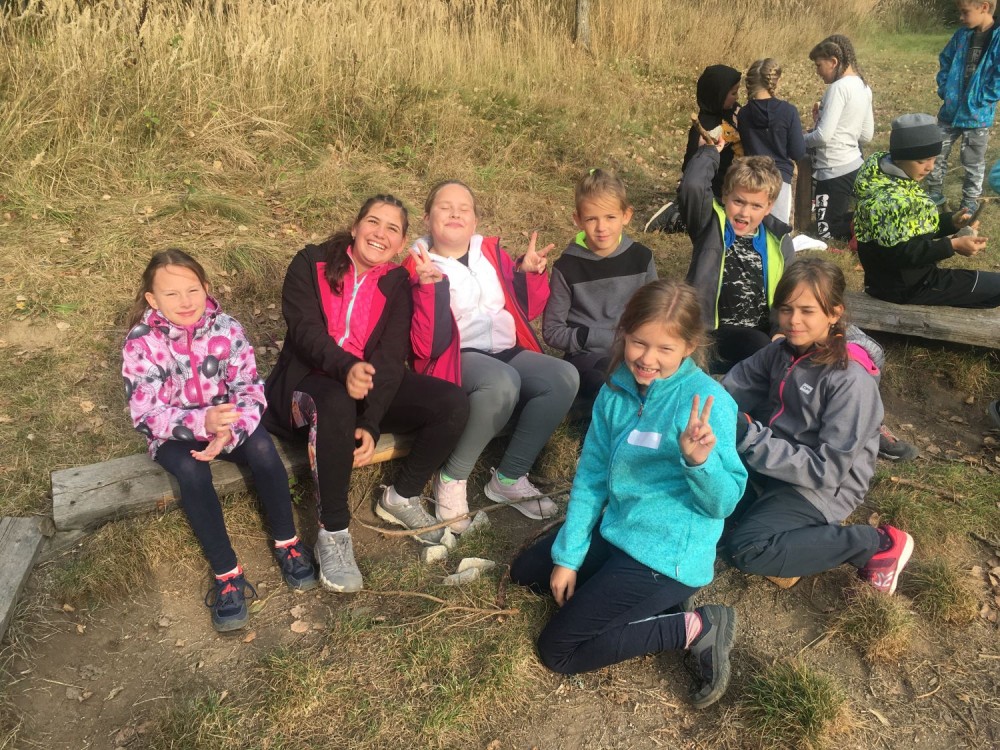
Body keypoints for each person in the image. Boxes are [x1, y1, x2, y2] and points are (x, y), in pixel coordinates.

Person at [510, 280, 747, 709]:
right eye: (639, 342)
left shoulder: (708, 403)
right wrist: (568, 556)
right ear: (624, 332)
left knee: (558, 649)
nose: (647, 359)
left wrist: (699, 462)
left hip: (666, 553)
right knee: (527, 572)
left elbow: (723, 503)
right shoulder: (616, 389)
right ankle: (649, 600)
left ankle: (696, 626)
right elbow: (592, 476)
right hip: (619, 530)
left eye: (665, 349)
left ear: (690, 346)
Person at [264, 195, 470, 591]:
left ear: (402, 242)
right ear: (356, 227)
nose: (380, 234)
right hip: (306, 384)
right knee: (336, 399)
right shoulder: (310, 262)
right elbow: (305, 332)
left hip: (364, 386)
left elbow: (391, 357)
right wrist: (347, 368)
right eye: (373, 222)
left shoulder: (396, 283)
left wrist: (372, 421)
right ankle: (334, 533)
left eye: (392, 229)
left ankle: (402, 496)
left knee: (450, 402)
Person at [123, 250, 317, 632]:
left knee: (262, 447)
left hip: (229, 421)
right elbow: (145, 413)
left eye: (192, 290)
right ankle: (227, 573)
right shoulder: (140, 343)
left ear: (206, 288)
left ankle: (287, 541)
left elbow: (250, 388)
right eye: (171, 294)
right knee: (192, 472)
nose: (185, 301)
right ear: (152, 299)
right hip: (173, 433)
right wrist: (201, 423)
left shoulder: (227, 328)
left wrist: (228, 429)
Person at [721, 258, 914, 594]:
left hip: (823, 486)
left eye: (807, 311)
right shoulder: (780, 352)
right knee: (705, 502)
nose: (793, 321)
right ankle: (763, 507)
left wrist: (750, 439)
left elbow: (828, 470)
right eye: (786, 309)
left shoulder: (850, 381)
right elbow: (730, 390)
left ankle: (875, 544)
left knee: (747, 548)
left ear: (834, 313)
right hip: (773, 462)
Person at [406, 180, 579, 533]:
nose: (455, 213)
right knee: (502, 382)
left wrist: (529, 275)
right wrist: (428, 290)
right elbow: (424, 345)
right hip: (453, 356)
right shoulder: (416, 266)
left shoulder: (490, 253)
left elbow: (526, 309)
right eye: (444, 207)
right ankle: (451, 478)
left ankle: (509, 477)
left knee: (563, 377)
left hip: (505, 348)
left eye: (464, 208)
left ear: (475, 220)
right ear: (426, 218)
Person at [854, 113, 998, 307]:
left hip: (894, 282)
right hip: (908, 287)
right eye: (921, 161)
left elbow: (908, 229)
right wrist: (953, 245)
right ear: (899, 158)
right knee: (994, 288)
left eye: (933, 159)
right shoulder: (890, 201)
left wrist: (950, 222)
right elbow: (902, 253)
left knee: (987, 292)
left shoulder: (887, 179)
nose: (930, 167)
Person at [678, 139, 794, 373]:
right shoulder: (709, 225)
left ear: (769, 207)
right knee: (757, 344)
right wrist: (709, 152)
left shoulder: (780, 241)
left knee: (776, 349)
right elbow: (692, 185)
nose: (744, 213)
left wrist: (780, 331)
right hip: (709, 336)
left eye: (755, 206)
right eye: (738, 201)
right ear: (725, 195)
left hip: (761, 338)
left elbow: (788, 296)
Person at [543, 168, 658, 399]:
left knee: (668, 383)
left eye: (610, 217)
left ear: (626, 215)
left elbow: (656, 315)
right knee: (612, 383)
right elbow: (552, 331)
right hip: (588, 356)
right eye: (591, 219)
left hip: (637, 351)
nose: (601, 227)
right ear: (578, 220)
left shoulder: (642, 258)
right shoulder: (566, 267)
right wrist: (589, 337)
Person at [645, 64, 742, 232]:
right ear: (718, 95)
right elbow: (691, 166)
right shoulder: (705, 127)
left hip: (731, 183)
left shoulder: (734, 113)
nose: (737, 96)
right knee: (714, 224)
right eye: (733, 93)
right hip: (711, 188)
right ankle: (677, 216)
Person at [924, 0, 1000, 214]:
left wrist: (982, 98)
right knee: (936, 151)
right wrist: (945, 88)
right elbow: (945, 59)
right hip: (950, 111)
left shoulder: (997, 39)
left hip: (977, 116)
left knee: (973, 161)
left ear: (984, 7)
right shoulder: (961, 35)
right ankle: (934, 193)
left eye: (965, 12)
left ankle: (969, 201)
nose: (960, 17)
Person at [804, 34, 874, 241]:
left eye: (818, 65)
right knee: (834, 219)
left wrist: (801, 139)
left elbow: (823, 136)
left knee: (826, 231)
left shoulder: (837, 88)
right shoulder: (863, 86)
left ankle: (871, 225)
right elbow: (866, 135)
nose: (817, 72)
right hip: (854, 166)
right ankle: (868, 220)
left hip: (833, 170)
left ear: (833, 62)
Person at [737, 58, 807, 225]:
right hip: (780, 178)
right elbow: (798, 152)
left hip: (753, 177)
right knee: (779, 229)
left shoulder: (744, 114)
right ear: (776, 82)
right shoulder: (788, 112)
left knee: (753, 227)